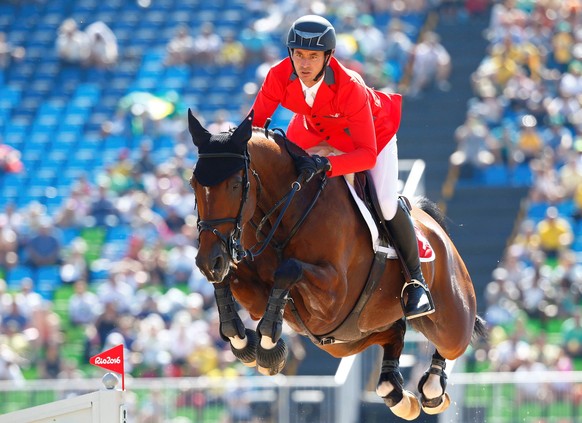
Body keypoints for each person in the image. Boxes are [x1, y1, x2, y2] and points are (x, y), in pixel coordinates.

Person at [249, 15, 433, 319]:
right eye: (298, 54)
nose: (304, 64)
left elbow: (366, 156)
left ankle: (416, 282)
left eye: (312, 56)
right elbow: (254, 127)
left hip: (371, 135)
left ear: (328, 57)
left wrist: (327, 163)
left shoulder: (349, 87)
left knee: (385, 204)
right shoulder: (278, 76)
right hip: (314, 129)